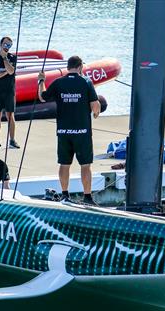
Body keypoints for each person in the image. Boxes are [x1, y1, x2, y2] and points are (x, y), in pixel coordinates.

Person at [37, 55, 101, 205]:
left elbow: (42, 97)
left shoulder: (59, 82)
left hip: (64, 131)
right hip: (82, 132)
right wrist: (96, 114)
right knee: (85, 165)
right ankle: (87, 197)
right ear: (80, 67)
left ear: (68, 67)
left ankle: (65, 194)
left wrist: (41, 81)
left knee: (64, 164)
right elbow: (95, 105)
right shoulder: (86, 82)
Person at [0, 36, 20, 149]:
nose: (7, 47)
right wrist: (3, 73)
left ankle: (12, 140)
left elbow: (11, 71)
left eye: (9, 45)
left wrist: (5, 58)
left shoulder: (12, 58)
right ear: (1, 44)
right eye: (5, 44)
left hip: (9, 91)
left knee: (10, 115)